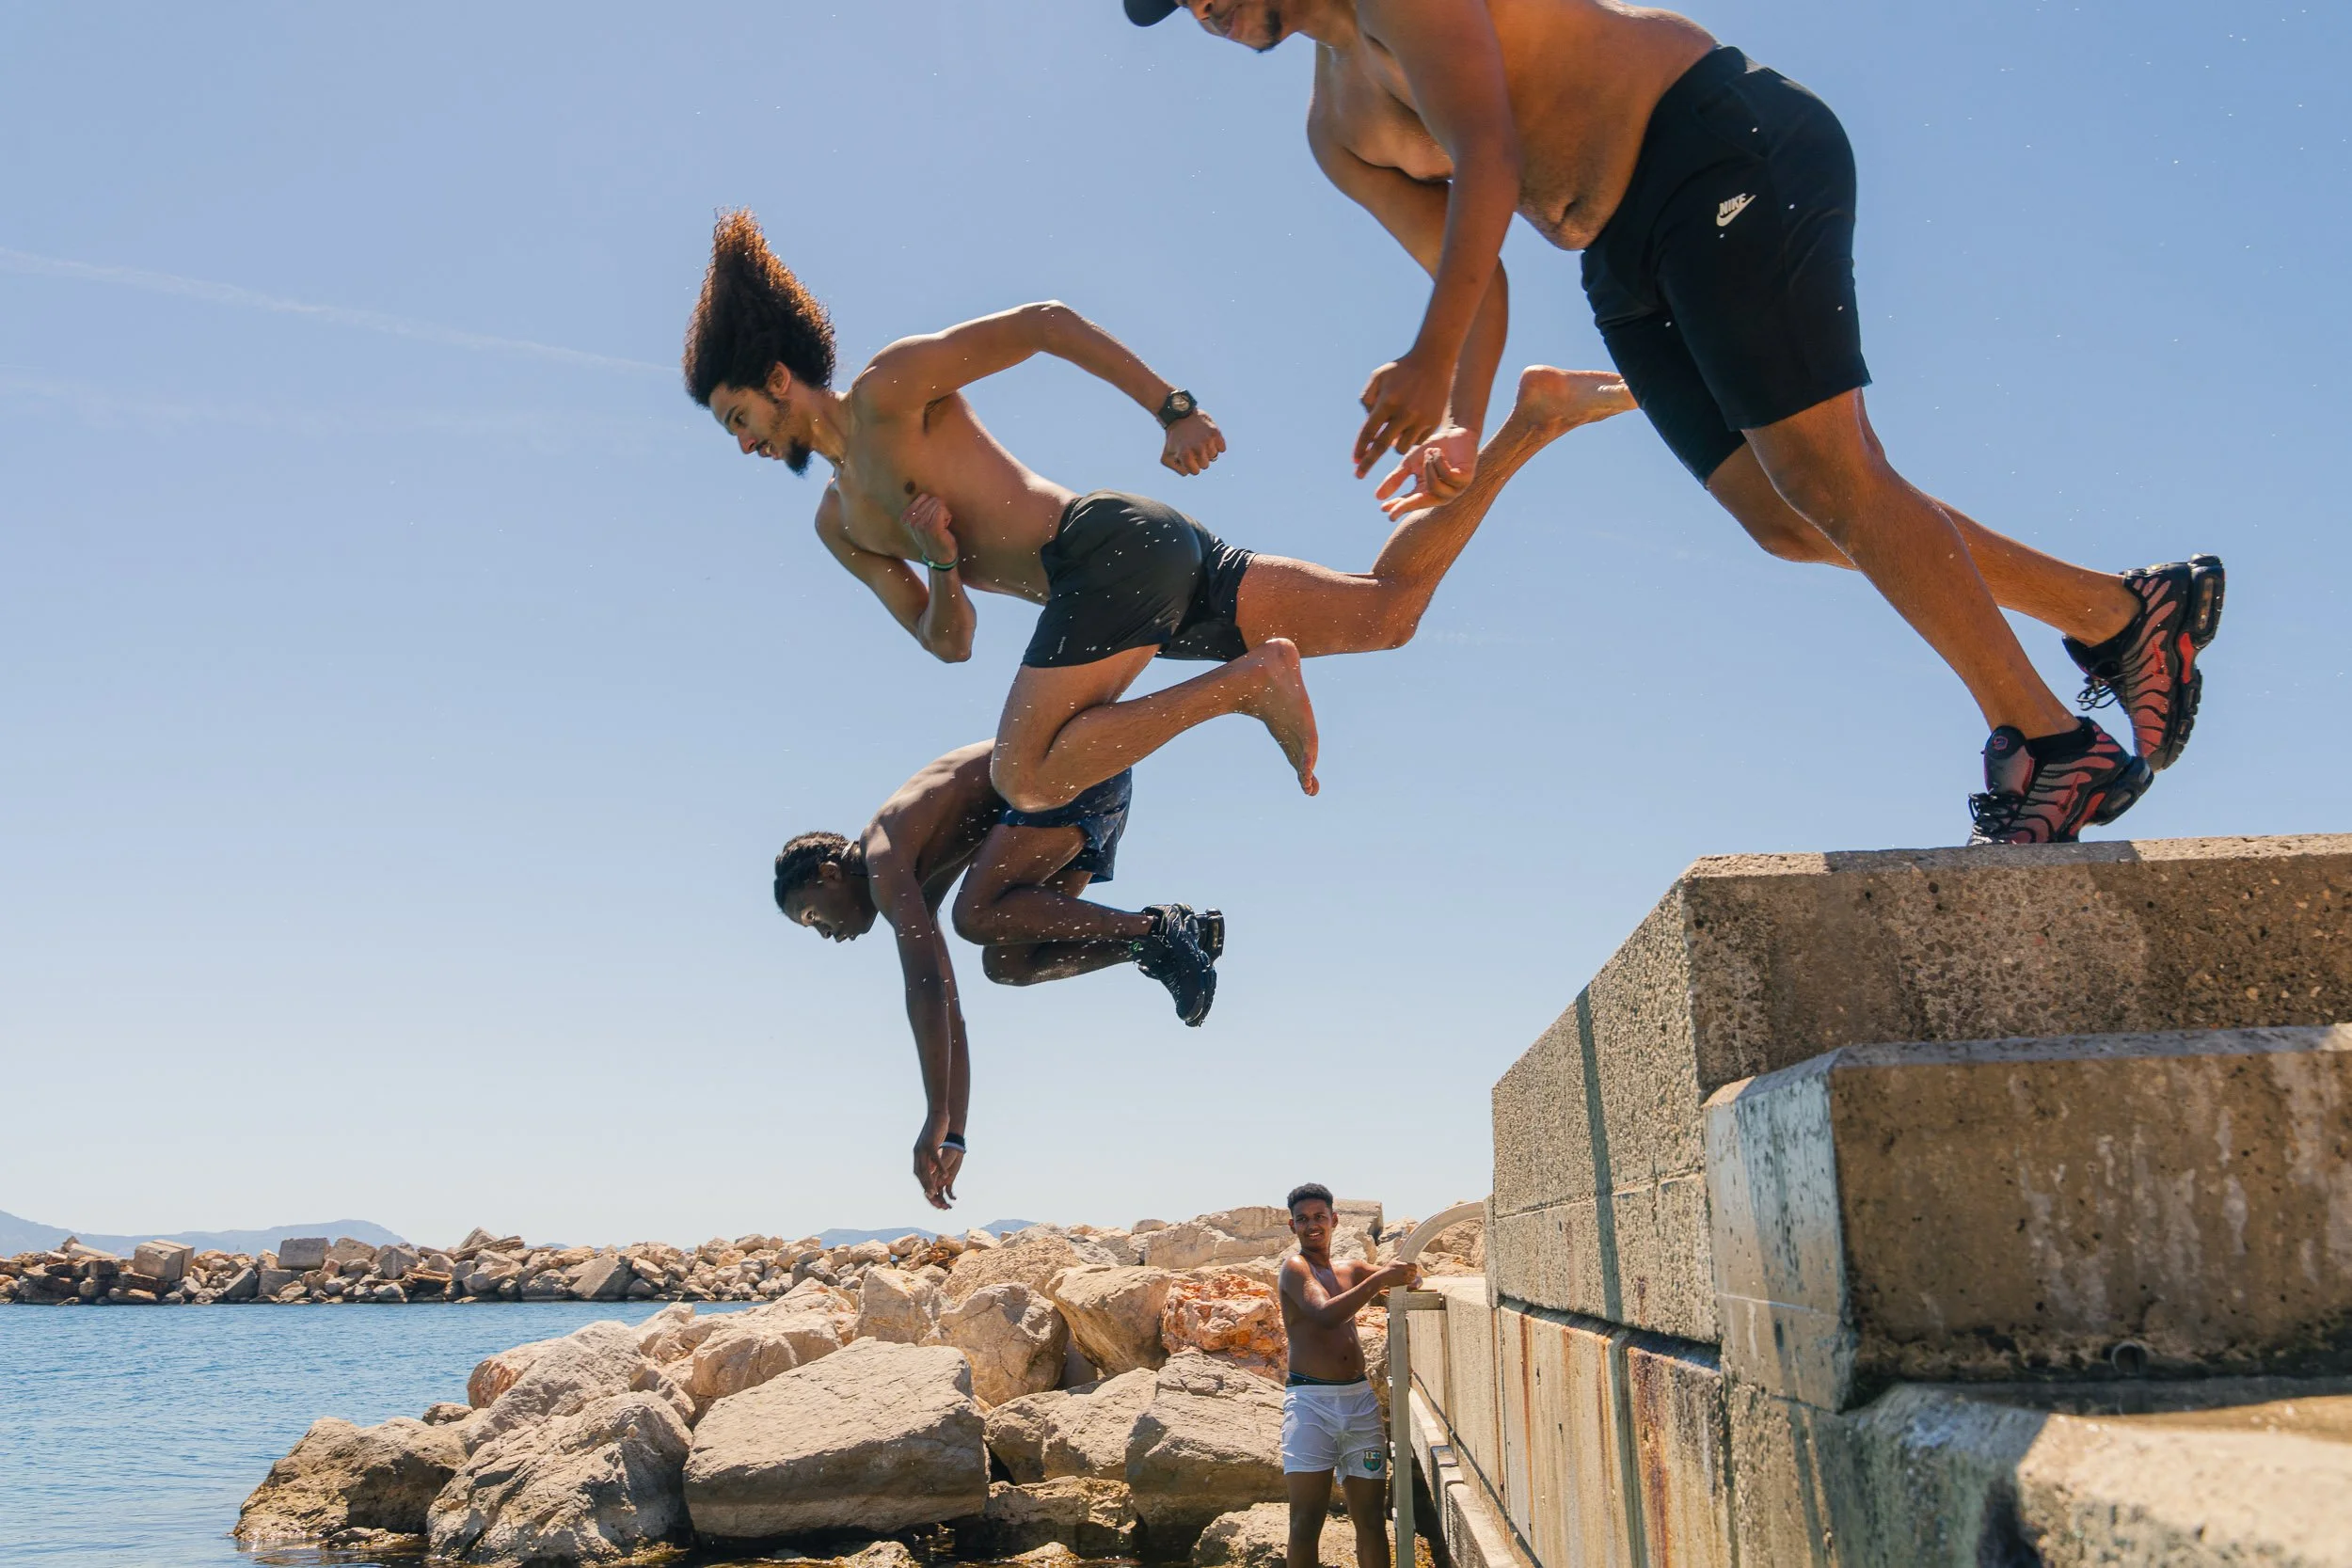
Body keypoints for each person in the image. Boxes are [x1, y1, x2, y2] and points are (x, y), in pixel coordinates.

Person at [1124, 0, 2224, 845]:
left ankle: (2052, 740)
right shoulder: (1335, 128)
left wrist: (1424, 353)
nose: (1198, 8)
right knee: (1788, 517)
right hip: (1618, 250)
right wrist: (1458, 419)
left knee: (1826, 477)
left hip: (1713, 143)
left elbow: (1490, 160)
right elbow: (1487, 278)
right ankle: (2120, 613)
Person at [684, 210, 1633, 816]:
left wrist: (1168, 407)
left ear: (776, 379)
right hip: (1134, 594)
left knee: (1024, 773)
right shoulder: (841, 526)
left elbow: (1046, 323)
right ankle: (1533, 417)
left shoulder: (892, 390)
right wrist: (938, 561)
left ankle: (1252, 683)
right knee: (1388, 612)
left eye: (739, 417)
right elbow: (948, 644)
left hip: (1108, 549)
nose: (743, 442)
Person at [774, 742, 1222, 1209]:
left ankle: (1156, 926)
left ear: (829, 874)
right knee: (1008, 964)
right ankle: (1153, 941)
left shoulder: (883, 858)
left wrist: (935, 1113)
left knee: (975, 917)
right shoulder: (908, 882)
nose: (824, 934)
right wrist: (956, 1134)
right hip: (1085, 781)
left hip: (1069, 769)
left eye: (811, 917)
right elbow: (950, 1014)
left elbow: (924, 993)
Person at [1276, 1182, 1422, 1568]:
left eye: (1319, 1217)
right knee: (1306, 1522)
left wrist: (1404, 1276)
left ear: (1334, 1221)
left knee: (1372, 1520)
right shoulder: (1294, 1269)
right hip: (1310, 1406)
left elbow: (1405, 1278)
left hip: (1358, 1404)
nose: (1312, 1226)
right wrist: (1378, 1281)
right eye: (1303, 1219)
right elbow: (1325, 1315)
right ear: (1292, 1226)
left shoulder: (1351, 1269)